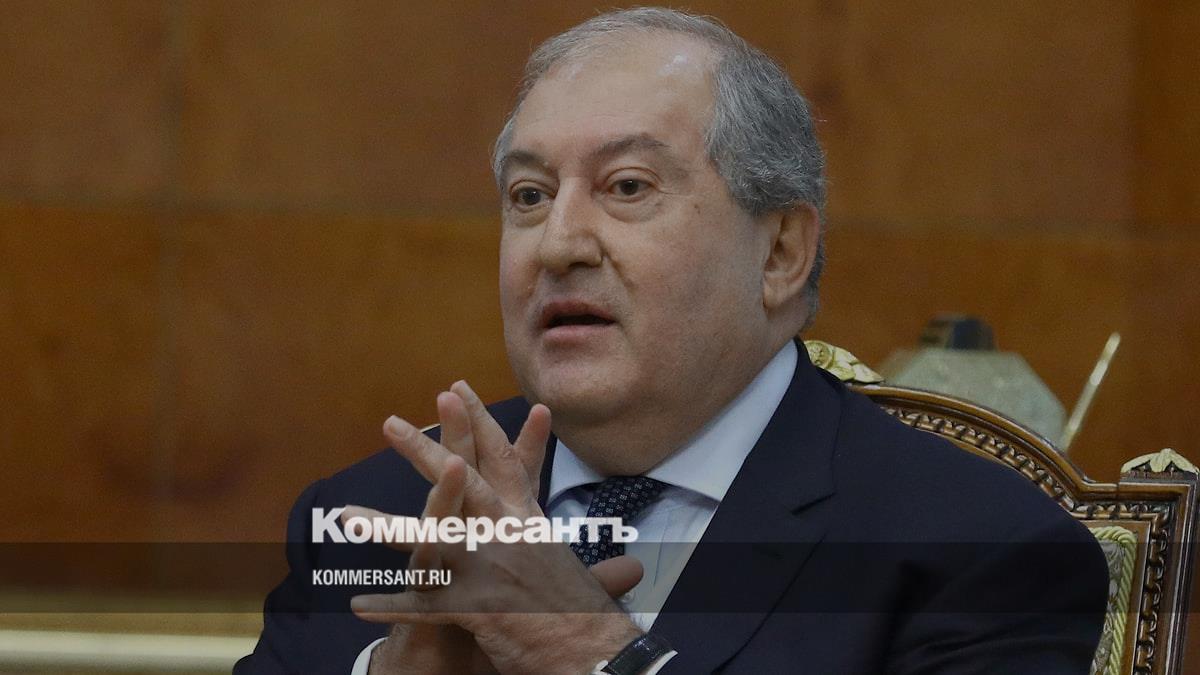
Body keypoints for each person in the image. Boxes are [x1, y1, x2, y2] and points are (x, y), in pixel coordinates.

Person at [237, 8, 1107, 674]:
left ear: (780, 252)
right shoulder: (374, 515)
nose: (559, 244)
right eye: (530, 195)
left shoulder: (973, 549)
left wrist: (594, 653)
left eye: (627, 186)